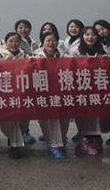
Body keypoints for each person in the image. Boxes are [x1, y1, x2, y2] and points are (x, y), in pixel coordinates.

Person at [32, 31, 69, 159]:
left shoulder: (64, 56)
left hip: (62, 92)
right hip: (45, 93)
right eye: (48, 41)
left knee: (64, 118)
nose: (51, 43)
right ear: (42, 43)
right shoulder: (36, 57)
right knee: (50, 119)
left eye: (53, 40)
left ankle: (61, 142)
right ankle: (53, 145)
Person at [71, 27, 108, 156]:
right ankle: (83, 144)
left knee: (98, 116)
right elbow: (71, 68)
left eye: (93, 34)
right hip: (83, 88)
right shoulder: (76, 51)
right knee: (85, 116)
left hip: (99, 88)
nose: (90, 37)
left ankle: (96, 141)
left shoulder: (103, 50)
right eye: (87, 34)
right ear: (83, 36)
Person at [0, 32, 26, 159]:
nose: (14, 44)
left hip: (22, 93)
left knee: (21, 121)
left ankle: (15, 144)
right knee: (8, 121)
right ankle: (13, 142)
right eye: (11, 41)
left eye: (16, 41)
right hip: (5, 93)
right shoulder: (0, 56)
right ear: (6, 43)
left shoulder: (25, 56)